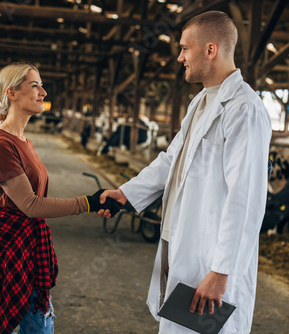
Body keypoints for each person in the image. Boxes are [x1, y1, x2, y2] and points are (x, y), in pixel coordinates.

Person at [97, 11, 272, 333]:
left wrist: (221, 270)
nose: (179, 57)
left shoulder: (243, 109)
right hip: (185, 243)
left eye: (184, 49)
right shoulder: (202, 102)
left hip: (213, 258)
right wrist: (128, 193)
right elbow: (171, 160)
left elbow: (245, 197)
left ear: (210, 49)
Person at [0, 61, 122, 334]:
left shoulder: (24, 140)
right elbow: (30, 205)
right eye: (35, 85)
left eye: (42, 85)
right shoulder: (1, 143)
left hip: (28, 243)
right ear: (11, 93)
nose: (43, 92)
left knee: (38, 326)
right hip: (6, 247)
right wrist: (88, 202)